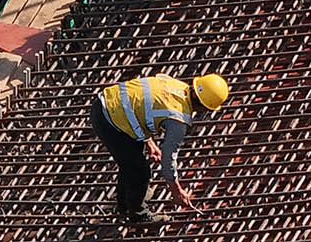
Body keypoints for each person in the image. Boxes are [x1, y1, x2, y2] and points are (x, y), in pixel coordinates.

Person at [93, 72, 230, 228]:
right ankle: (138, 216)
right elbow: (168, 159)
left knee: (131, 161)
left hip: (106, 102)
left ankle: (125, 202)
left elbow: (140, 104)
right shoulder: (178, 120)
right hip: (109, 121)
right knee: (139, 171)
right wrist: (176, 191)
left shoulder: (173, 84)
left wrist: (149, 142)